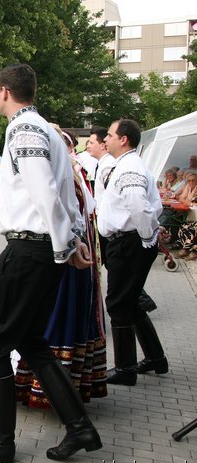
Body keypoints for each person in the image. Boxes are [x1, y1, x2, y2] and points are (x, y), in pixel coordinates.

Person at [0, 64, 101, 463]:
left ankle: (0, 441)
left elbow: (45, 192)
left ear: (4, 90)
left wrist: (65, 245)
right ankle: (79, 427)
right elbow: (65, 196)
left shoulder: (24, 130)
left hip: (29, 250)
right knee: (32, 342)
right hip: (43, 249)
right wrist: (70, 242)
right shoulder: (44, 129)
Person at [15, 125, 107, 408]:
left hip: (61, 258)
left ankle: (58, 399)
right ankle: (69, 399)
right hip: (72, 254)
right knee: (49, 325)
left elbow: (62, 213)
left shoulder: (65, 175)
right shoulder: (72, 174)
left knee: (47, 325)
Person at [99, 118, 168, 386]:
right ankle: (155, 358)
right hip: (127, 241)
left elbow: (139, 206)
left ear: (123, 139)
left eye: (109, 135)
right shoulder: (126, 165)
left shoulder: (130, 167)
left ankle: (126, 369)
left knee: (118, 303)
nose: (106, 139)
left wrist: (147, 237)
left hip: (128, 242)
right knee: (129, 302)